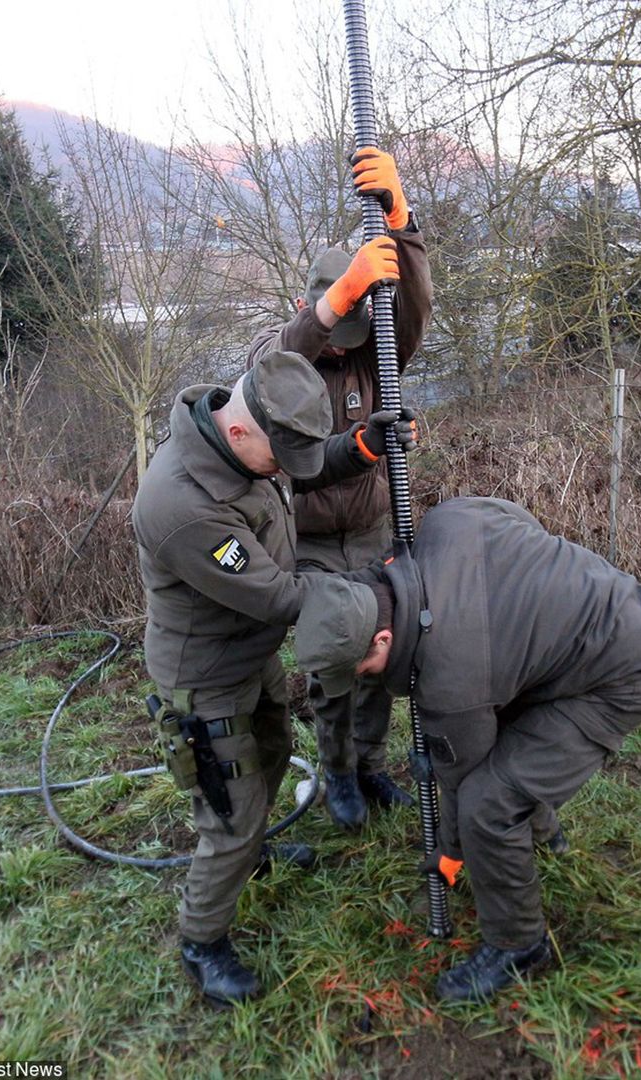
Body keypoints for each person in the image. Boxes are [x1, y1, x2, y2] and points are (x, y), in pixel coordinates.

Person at [293, 497, 641, 1003]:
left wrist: (450, 852)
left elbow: (463, 781)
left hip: (616, 678)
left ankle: (518, 944)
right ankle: (543, 834)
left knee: (489, 804)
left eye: (359, 669)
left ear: (382, 639)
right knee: (511, 754)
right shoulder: (447, 521)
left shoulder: (449, 682)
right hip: (610, 613)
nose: (362, 680)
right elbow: (518, 520)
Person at [131, 348, 414, 1007]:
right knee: (230, 812)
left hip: (251, 656)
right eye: (278, 458)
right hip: (204, 678)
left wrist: (360, 447)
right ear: (239, 433)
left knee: (274, 753)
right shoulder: (183, 505)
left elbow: (299, 473)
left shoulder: (246, 437)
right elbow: (279, 597)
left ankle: (253, 859)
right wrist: (376, 597)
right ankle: (203, 942)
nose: (286, 471)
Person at [248, 146, 432, 832]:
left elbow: (413, 305)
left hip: (375, 534)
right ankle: (335, 772)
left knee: (384, 647)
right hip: (314, 541)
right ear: (313, 304)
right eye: (337, 321)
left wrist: (400, 217)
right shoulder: (284, 356)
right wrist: (333, 303)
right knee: (334, 667)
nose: (342, 342)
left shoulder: (370, 354)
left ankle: (371, 763)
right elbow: (275, 358)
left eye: (355, 324)